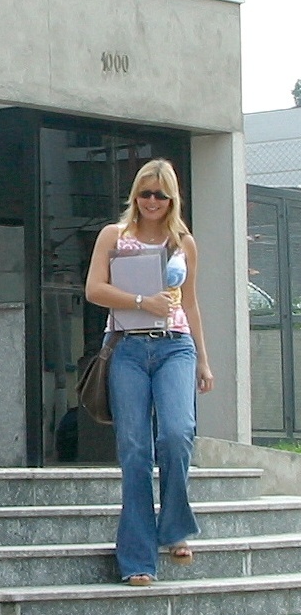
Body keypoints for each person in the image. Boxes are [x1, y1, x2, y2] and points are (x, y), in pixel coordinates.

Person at [83, 160, 215, 586]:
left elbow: (190, 302)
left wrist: (203, 359)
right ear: (135, 195)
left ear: (173, 198)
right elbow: (94, 289)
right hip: (127, 347)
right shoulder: (114, 236)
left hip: (175, 345)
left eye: (161, 194)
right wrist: (141, 300)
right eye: (146, 193)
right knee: (135, 449)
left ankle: (175, 527)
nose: (152, 201)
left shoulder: (183, 243)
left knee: (177, 433)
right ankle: (137, 557)